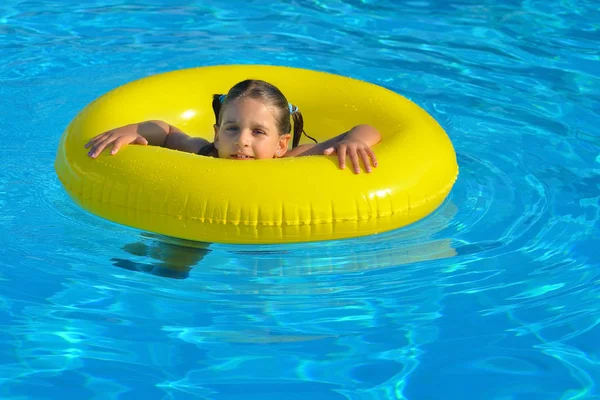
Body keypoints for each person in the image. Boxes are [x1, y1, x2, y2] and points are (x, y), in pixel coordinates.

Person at [85, 79, 381, 173]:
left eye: (258, 131)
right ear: (216, 134)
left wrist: (355, 141)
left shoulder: (291, 162)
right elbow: (166, 131)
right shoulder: (205, 153)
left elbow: (368, 129)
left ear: (281, 144)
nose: (242, 140)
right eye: (231, 128)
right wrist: (134, 130)